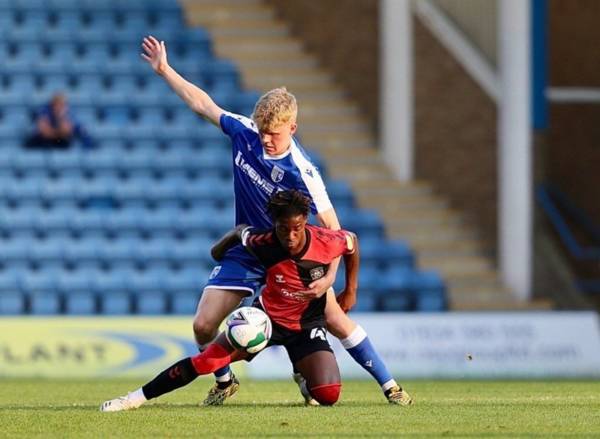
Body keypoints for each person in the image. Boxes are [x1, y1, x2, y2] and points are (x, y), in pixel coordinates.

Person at [140, 35, 412, 406]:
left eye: (275, 133)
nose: (266, 139)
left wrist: (331, 278)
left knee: (334, 319)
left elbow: (334, 231)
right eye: (262, 130)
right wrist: (165, 70)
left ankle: (390, 386)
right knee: (203, 325)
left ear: (293, 129)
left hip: (290, 256)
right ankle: (224, 382)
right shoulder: (244, 132)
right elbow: (202, 104)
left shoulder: (304, 173)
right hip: (250, 249)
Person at [101, 190, 358, 411]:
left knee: (328, 394)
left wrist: (350, 290)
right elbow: (237, 236)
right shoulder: (263, 242)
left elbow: (352, 243)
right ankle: (132, 399)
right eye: (283, 229)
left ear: (305, 222)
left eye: (297, 229)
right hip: (267, 321)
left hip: (306, 325)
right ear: (274, 224)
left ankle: (302, 372)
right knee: (205, 361)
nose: (290, 236)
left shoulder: (326, 240)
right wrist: (223, 246)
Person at [24, 93, 94, 149]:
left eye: (62, 105)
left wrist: (61, 118)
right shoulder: (45, 111)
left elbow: (66, 131)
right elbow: (45, 132)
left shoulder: (68, 114)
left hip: (61, 142)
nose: (59, 107)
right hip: (44, 141)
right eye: (57, 104)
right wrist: (58, 133)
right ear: (53, 105)